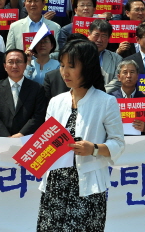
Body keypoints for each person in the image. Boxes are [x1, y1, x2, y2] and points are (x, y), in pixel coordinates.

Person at [37, 39, 124, 232]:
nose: (64, 72)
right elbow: (47, 141)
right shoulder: (56, 102)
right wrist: (32, 154)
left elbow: (118, 143)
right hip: (55, 184)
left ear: (87, 67)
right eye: (62, 65)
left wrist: (93, 149)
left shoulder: (106, 102)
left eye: (71, 66)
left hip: (87, 186)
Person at [0, 48, 47, 137]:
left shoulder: (37, 88)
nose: (14, 66)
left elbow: (38, 115)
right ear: (5, 66)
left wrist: (21, 134)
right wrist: (7, 137)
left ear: (25, 65)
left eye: (19, 62)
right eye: (10, 62)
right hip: (2, 140)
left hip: (28, 138)